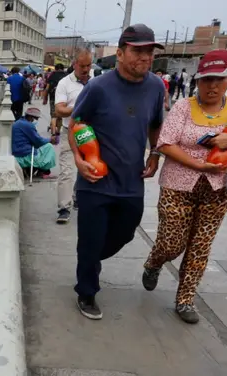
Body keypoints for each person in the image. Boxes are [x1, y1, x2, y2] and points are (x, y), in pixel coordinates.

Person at [143, 50, 227, 324]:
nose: (212, 86)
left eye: (219, 79)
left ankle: (186, 299)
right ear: (198, 81)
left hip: (218, 189)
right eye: (206, 80)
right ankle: (154, 262)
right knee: (171, 243)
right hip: (178, 185)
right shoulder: (183, 107)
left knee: (200, 246)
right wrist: (198, 165)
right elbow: (165, 143)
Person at [70, 24, 165, 320]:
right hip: (94, 180)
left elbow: (155, 124)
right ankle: (87, 292)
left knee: (124, 233)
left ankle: (89, 256)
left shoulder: (156, 87)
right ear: (121, 53)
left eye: (149, 52)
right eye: (138, 51)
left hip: (131, 182)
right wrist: (77, 159)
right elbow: (76, 124)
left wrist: (156, 152)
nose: (145, 57)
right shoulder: (98, 87)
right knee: (91, 238)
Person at [53, 50, 94, 223]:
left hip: (91, 134)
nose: (86, 69)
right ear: (74, 64)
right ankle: (64, 207)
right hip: (69, 132)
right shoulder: (65, 83)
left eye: (88, 65)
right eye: (82, 66)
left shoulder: (96, 82)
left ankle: (78, 195)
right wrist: (78, 108)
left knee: (88, 168)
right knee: (67, 170)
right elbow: (59, 110)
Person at [11, 107, 57, 177]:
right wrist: (50, 140)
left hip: (17, 152)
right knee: (49, 147)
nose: (34, 120)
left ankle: (38, 170)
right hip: (25, 155)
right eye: (34, 118)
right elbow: (38, 141)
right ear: (30, 117)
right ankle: (44, 171)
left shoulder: (17, 123)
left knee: (42, 148)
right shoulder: (28, 125)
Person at [46, 63, 68, 134]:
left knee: (53, 115)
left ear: (55, 68)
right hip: (63, 99)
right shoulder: (66, 75)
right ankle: (58, 131)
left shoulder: (52, 75)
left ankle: (53, 131)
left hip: (53, 97)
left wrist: (45, 98)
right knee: (60, 115)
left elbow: (47, 88)